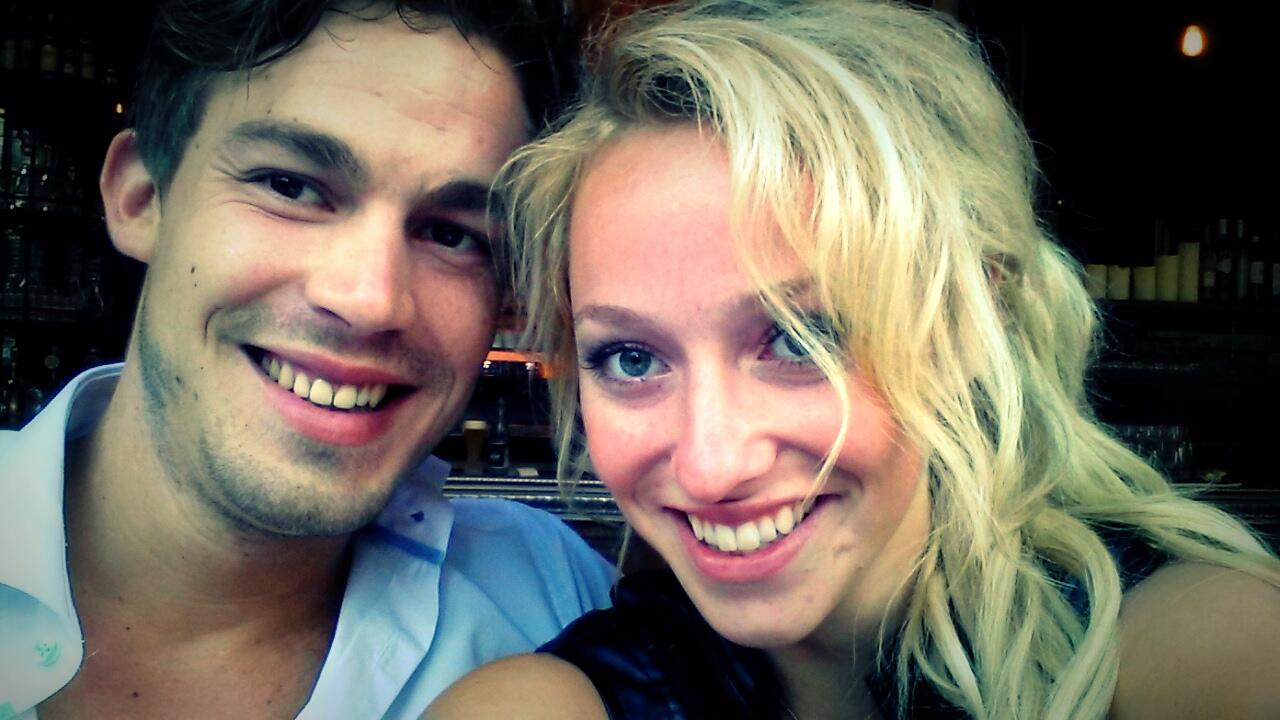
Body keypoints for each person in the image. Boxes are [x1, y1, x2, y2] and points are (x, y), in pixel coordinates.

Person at [426, 1, 1280, 718]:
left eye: (799, 341)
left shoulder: (1193, 649)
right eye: (632, 359)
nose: (710, 466)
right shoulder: (547, 702)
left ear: (966, 326)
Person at [0, 1, 617, 718]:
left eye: (452, 235)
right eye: (290, 187)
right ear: (141, 199)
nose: (370, 301)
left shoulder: (561, 603)